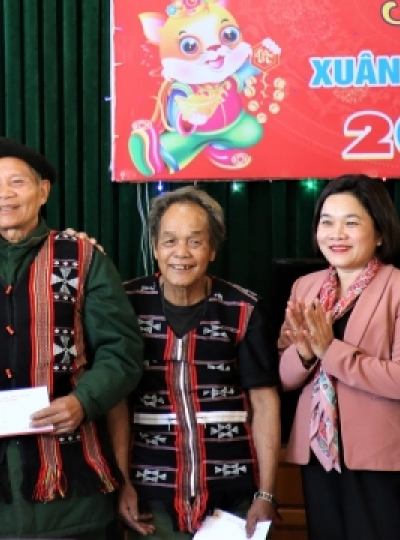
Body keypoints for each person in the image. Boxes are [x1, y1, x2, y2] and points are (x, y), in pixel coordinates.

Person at [0, 138, 144, 539]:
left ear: (43, 192)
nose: (3, 193)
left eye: (17, 182)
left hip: (72, 488)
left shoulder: (83, 258)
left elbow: (121, 351)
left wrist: (82, 401)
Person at [108, 187, 279, 539]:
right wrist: (122, 482)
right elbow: (117, 402)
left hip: (233, 494)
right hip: (150, 492)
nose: (181, 253)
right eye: (170, 241)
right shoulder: (125, 305)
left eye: (195, 241)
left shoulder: (243, 309)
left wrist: (265, 494)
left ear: (212, 249)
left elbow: (264, 402)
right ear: (155, 248)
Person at [279, 173, 400, 540]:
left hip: (381, 460)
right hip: (318, 455)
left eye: (351, 223)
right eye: (327, 222)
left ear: (379, 232)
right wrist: (304, 353)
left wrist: (329, 351)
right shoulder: (305, 287)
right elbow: (284, 377)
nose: (336, 234)